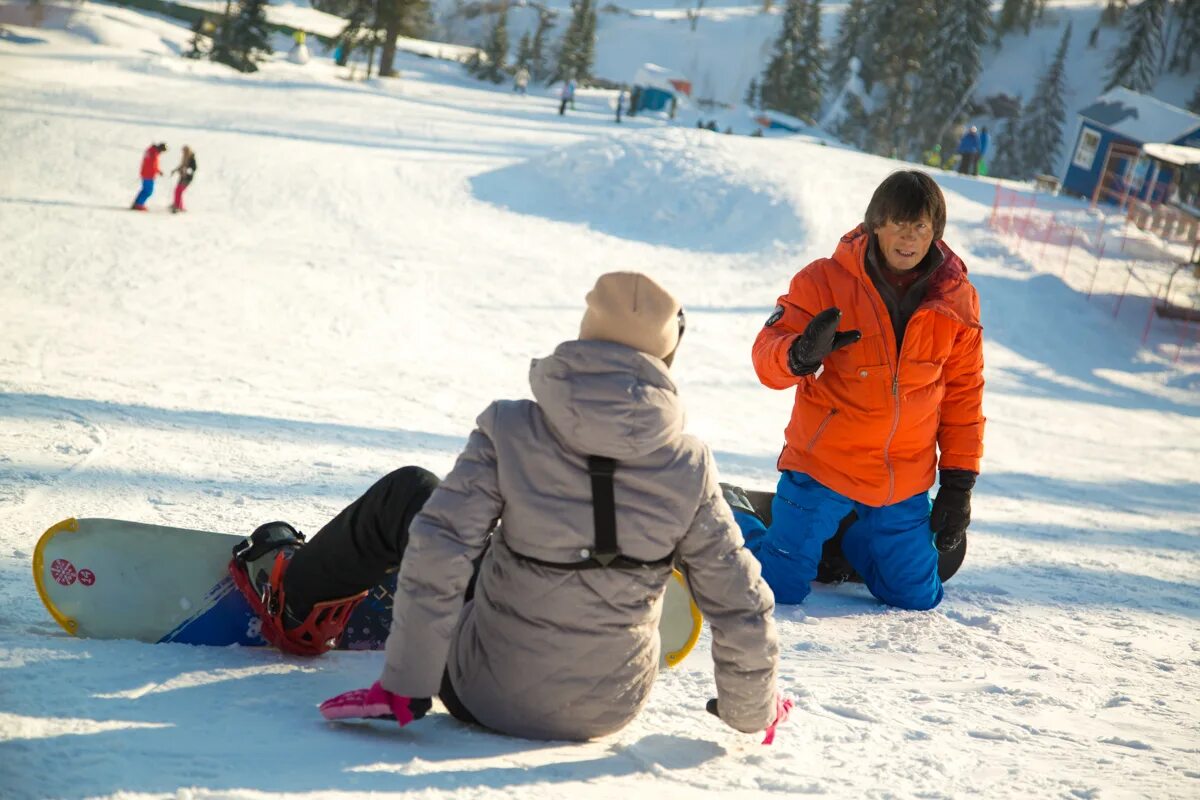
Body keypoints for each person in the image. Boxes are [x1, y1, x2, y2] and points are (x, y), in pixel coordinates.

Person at [232, 272, 789, 743]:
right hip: (611, 709)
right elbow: (740, 599)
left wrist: (403, 689)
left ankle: (295, 605)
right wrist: (751, 711)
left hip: (483, 694)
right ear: (666, 357)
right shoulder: (689, 464)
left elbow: (439, 548)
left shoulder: (511, 427)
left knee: (411, 493)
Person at [738, 170, 984, 611]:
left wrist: (957, 486)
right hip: (823, 465)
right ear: (874, 225)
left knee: (916, 598)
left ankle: (844, 538)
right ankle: (736, 514)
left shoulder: (955, 299)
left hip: (901, 479)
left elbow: (965, 397)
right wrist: (799, 354)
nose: (908, 238)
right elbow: (765, 357)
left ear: (936, 233)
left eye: (920, 227)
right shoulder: (823, 280)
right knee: (776, 590)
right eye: (898, 225)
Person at [131, 142, 166, 211]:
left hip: (146, 173)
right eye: (162, 151)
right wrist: (158, 171)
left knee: (145, 190)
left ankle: (137, 203)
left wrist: (158, 171)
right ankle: (139, 204)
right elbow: (152, 165)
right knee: (148, 191)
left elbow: (152, 164)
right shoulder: (154, 153)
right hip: (149, 174)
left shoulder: (151, 151)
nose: (161, 153)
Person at [170, 145, 197, 214]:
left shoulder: (192, 159)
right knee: (177, 190)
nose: (183, 153)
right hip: (182, 177)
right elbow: (181, 166)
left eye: (185, 151)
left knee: (179, 191)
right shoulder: (185, 158)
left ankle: (178, 206)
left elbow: (193, 169)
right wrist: (175, 170)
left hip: (187, 179)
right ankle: (177, 205)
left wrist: (186, 171)